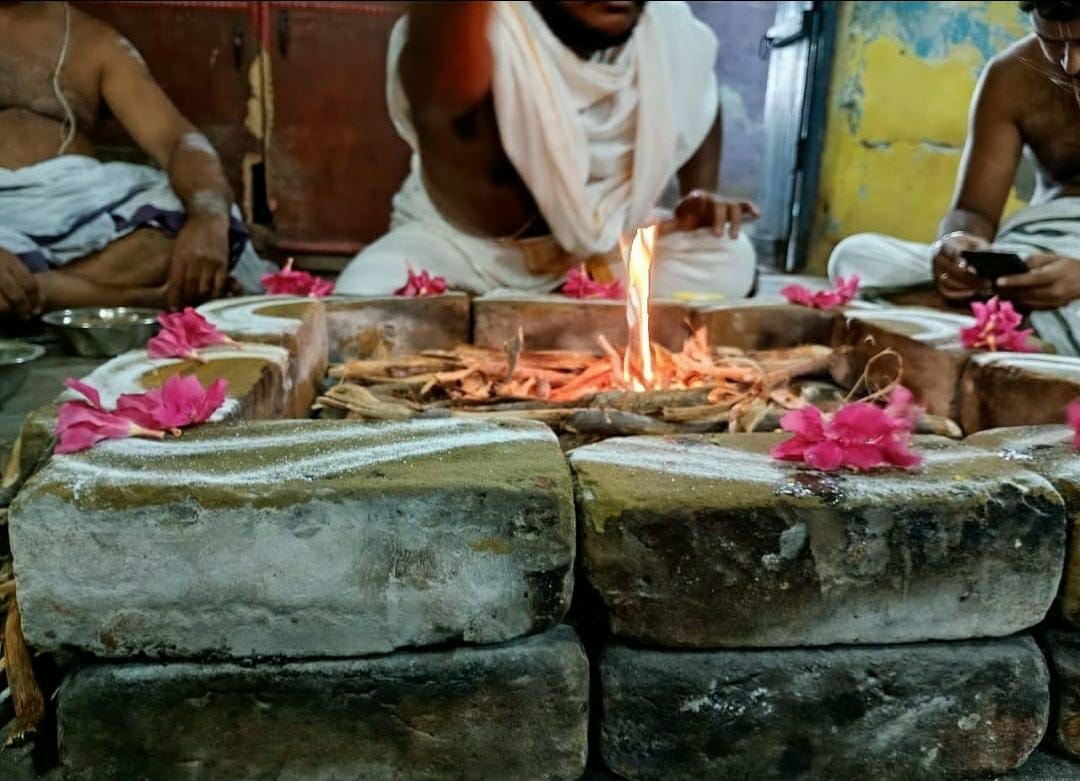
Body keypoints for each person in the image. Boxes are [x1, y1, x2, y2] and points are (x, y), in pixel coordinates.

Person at [336, 0, 759, 299]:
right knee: (368, 291)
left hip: (597, 252)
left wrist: (698, 193)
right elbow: (444, 89)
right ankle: (573, 314)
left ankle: (551, 309)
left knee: (729, 256)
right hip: (463, 253)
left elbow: (698, 89)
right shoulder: (480, 28)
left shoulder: (664, 31)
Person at [828, 0, 1080, 354]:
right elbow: (974, 212)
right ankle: (1021, 334)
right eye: (1052, 42)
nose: (1071, 64)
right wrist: (957, 244)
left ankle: (974, 327)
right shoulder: (1011, 77)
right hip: (1029, 261)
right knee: (856, 257)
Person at [0, 1, 270, 320]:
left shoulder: (94, 43)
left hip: (79, 208)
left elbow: (177, 141)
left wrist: (207, 216)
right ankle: (135, 298)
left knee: (197, 213)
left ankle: (40, 293)